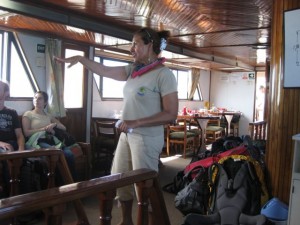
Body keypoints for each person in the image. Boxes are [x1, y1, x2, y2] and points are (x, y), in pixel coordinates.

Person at [55, 27, 178, 225]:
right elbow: (104, 70)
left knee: (144, 188)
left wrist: (135, 122)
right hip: (127, 135)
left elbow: (171, 113)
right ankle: (126, 221)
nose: (131, 49)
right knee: (120, 180)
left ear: (149, 45)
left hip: (146, 137)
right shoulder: (133, 71)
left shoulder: (164, 75)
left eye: (135, 44)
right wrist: (80, 59)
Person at [22, 91, 77, 182]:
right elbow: (26, 133)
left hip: (52, 139)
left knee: (69, 154)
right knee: (56, 153)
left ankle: (74, 183)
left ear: (45, 102)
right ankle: (61, 184)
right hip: (39, 141)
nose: (36, 100)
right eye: (35, 98)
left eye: (40, 98)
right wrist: (44, 129)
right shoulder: (28, 114)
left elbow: (64, 127)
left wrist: (54, 125)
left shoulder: (48, 115)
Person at [0, 80, 25, 197]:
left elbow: (19, 135)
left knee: (35, 157)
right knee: (7, 152)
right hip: (2, 146)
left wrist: (21, 149)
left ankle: (29, 196)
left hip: (13, 143)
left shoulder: (12, 112)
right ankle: (11, 196)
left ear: (6, 93)